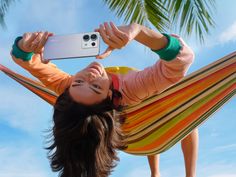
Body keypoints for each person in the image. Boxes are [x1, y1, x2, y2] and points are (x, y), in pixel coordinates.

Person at [11, 22, 196, 177]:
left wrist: (24, 47)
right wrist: (139, 31)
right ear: (110, 96)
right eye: (96, 86)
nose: (89, 76)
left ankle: (155, 173)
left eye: (78, 82)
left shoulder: (67, 88)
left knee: (154, 127)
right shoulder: (130, 89)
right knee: (188, 116)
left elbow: (25, 60)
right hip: (148, 110)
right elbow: (180, 62)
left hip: (143, 122)